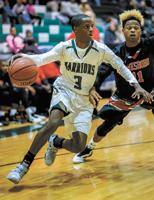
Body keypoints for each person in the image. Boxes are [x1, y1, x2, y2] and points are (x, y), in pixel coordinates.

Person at [6, 13, 152, 184]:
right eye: (87, 26)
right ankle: (23, 165)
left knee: (78, 146)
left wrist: (136, 85)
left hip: (84, 101)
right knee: (53, 122)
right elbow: (41, 59)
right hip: (65, 91)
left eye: (92, 26)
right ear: (76, 29)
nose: (91, 29)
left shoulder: (101, 49)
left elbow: (120, 66)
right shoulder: (64, 47)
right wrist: (22, 57)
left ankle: (56, 142)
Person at [72, 9, 154, 164]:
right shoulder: (116, 53)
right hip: (126, 95)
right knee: (108, 123)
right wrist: (93, 87)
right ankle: (89, 147)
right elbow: (101, 72)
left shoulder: (150, 44)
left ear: (141, 31)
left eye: (136, 28)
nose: (132, 30)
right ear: (122, 31)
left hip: (150, 91)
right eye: (129, 27)